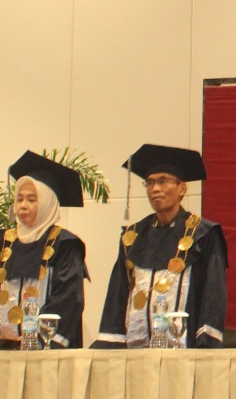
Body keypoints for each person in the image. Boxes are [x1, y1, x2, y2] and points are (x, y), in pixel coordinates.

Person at [95, 144, 228, 348]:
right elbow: (117, 296)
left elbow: (213, 297)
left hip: (186, 350)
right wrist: (111, 346)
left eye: (163, 181)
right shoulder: (133, 236)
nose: (155, 189)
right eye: (149, 183)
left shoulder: (203, 235)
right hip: (135, 352)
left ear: (182, 188)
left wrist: (205, 348)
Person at [0, 151, 88, 347]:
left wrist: (35, 340)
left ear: (47, 204)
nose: (22, 206)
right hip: (2, 351)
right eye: (19, 199)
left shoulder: (64, 246)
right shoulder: (0, 244)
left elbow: (68, 301)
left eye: (32, 200)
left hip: (46, 352)